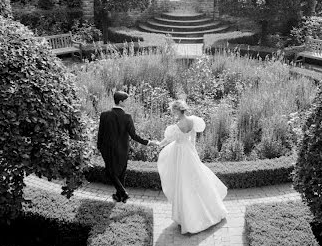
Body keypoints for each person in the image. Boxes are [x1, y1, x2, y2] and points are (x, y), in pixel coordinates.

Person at [155, 100, 227, 234]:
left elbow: (168, 140)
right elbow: (193, 139)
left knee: (182, 184)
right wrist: (193, 153)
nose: (172, 113)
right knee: (197, 180)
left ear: (177, 111)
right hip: (190, 152)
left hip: (180, 155)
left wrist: (158, 144)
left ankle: (187, 218)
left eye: (173, 111)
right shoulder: (193, 121)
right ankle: (209, 211)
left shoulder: (176, 127)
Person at [97, 90, 154, 202]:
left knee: (112, 172)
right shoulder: (127, 117)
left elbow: (100, 133)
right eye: (126, 101)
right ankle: (122, 194)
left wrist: (99, 147)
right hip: (123, 149)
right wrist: (147, 142)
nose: (127, 103)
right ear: (121, 101)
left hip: (107, 150)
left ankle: (121, 195)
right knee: (119, 173)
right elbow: (134, 135)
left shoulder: (104, 115)